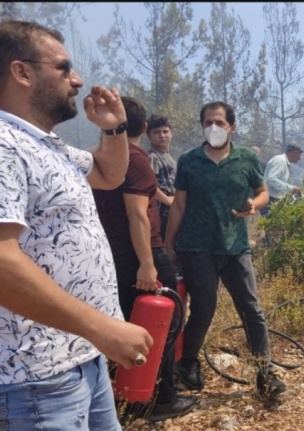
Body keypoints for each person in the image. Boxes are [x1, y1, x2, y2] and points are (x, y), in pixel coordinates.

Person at [0, 20, 152, 430]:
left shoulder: (46, 145)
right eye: (63, 67)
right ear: (21, 72)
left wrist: (113, 128)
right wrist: (100, 328)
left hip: (80, 359)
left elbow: (108, 173)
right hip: (35, 378)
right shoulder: (4, 145)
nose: (78, 79)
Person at [164, 101, 286, 404]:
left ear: (232, 126)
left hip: (235, 247)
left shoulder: (246, 159)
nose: (213, 128)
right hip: (196, 247)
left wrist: (254, 205)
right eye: (207, 122)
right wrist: (168, 245)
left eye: (219, 122)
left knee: (251, 309)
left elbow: (263, 192)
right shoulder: (189, 160)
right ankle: (187, 364)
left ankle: (264, 374)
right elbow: (178, 205)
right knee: (203, 308)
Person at [92, 97, 198, 422]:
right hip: (141, 254)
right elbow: (137, 215)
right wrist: (147, 263)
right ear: (144, 127)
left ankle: (128, 397)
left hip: (113, 255)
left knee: (128, 323)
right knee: (163, 323)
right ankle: (160, 399)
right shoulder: (135, 159)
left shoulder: (98, 159)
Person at [146, 114, 177, 242]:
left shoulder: (168, 156)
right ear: (148, 135)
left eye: (165, 131)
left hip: (172, 212)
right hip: (161, 213)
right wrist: (168, 200)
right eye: (156, 132)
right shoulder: (152, 157)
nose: (162, 135)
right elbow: (149, 185)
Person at [260, 144, 304, 216]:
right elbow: (271, 179)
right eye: (299, 154)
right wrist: (291, 188)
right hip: (269, 200)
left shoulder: (284, 162)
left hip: (272, 199)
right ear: (294, 153)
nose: (299, 158)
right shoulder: (280, 160)